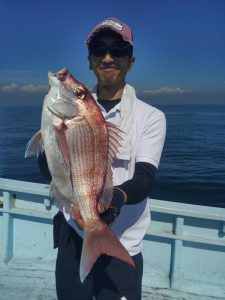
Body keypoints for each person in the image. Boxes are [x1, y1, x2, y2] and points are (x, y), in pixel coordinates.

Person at [38, 17, 166, 300]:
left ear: (130, 61)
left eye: (118, 50)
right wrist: (50, 141)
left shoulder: (152, 117)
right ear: (90, 60)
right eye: (99, 49)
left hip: (122, 243)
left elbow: (144, 178)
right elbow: (51, 172)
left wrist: (115, 200)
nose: (108, 57)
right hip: (73, 234)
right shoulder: (71, 109)